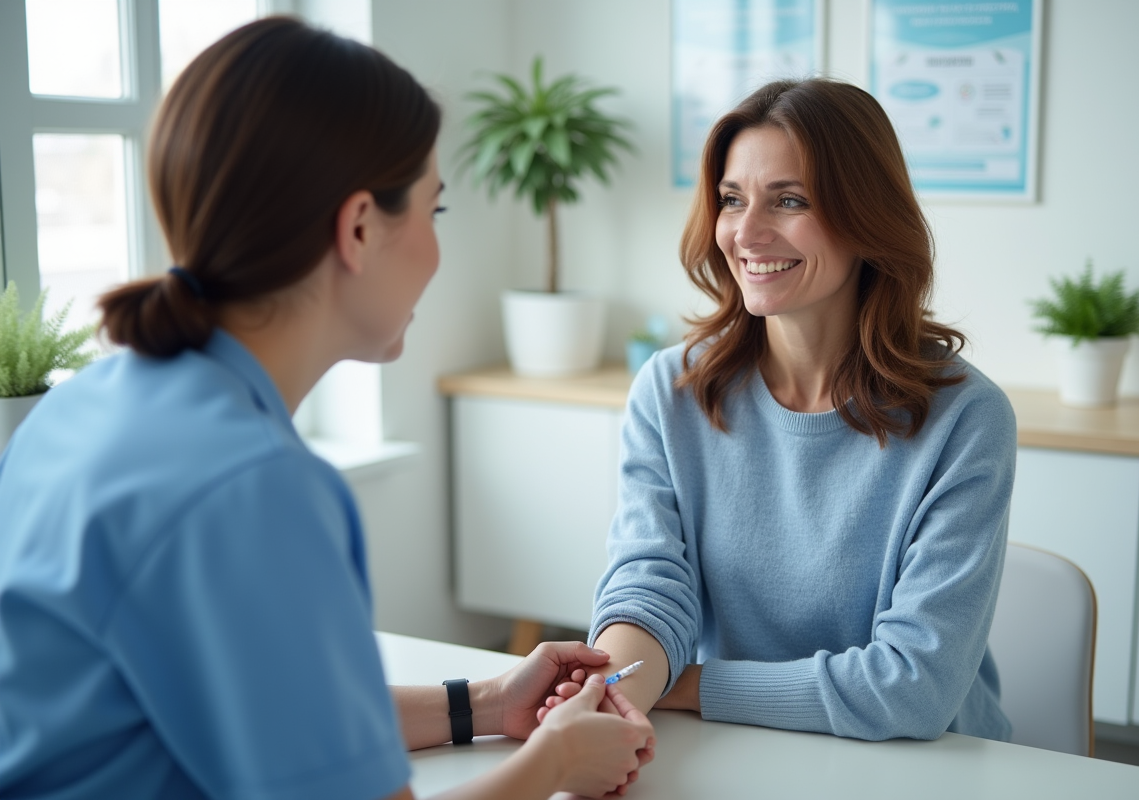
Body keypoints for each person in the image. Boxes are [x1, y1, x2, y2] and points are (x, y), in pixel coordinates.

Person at [0, 17, 652, 800]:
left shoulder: (90, 406)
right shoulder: (252, 487)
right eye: (434, 212)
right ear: (358, 227)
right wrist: (555, 763)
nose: (438, 252)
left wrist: (483, 703)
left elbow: (271, 706)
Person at [541, 78, 1016, 743]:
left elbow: (914, 688)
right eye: (732, 200)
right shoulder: (669, 390)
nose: (747, 232)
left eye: (789, 200)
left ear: (867, 218)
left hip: (922, 764)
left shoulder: (966, 418)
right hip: (744, 745)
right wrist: (605, 696)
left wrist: (688, 686)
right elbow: (649, 590)